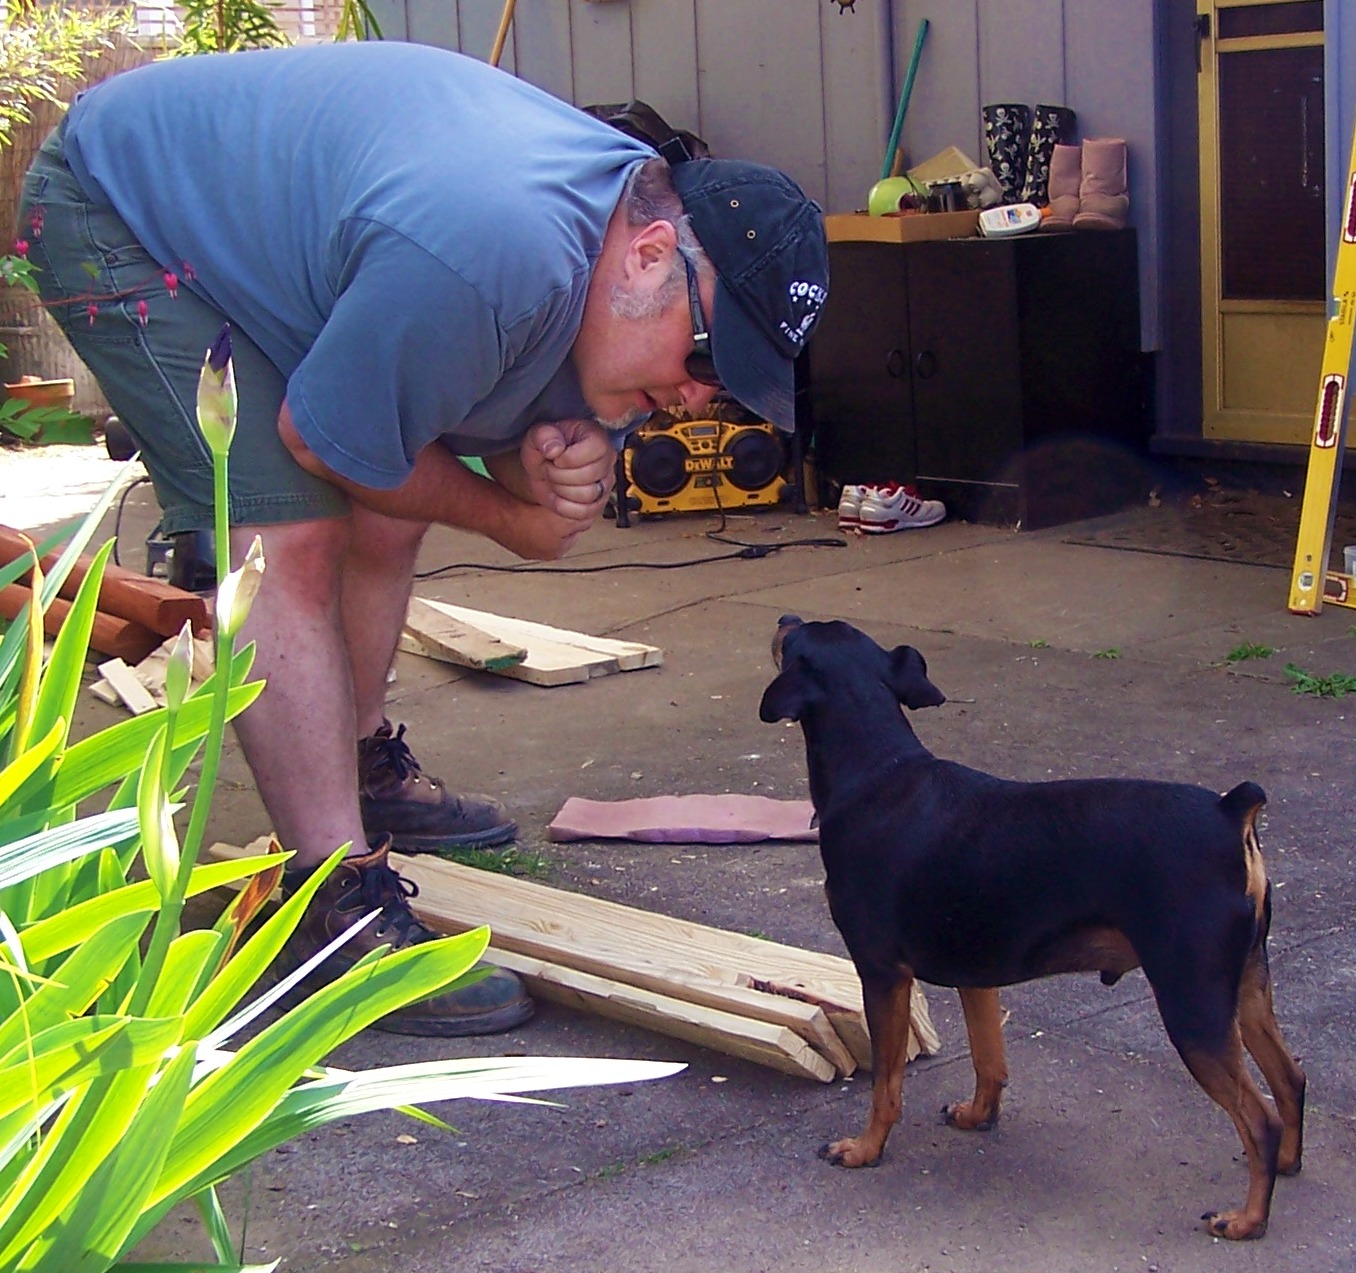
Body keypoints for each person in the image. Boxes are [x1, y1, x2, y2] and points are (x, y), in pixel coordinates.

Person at [19, 39, 828, 1037]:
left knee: (382, 481)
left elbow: (462, 409)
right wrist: (514, 516)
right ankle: (329, 908)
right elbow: (323, 441)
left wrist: (545, 453)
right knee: (288, 534)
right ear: (653, 254)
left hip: (293, 233)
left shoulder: (609, 241)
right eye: (705, 357)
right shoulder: (498, 254)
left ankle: (354, 763)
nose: (699, 398)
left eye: (725, 383)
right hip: (116, 206)